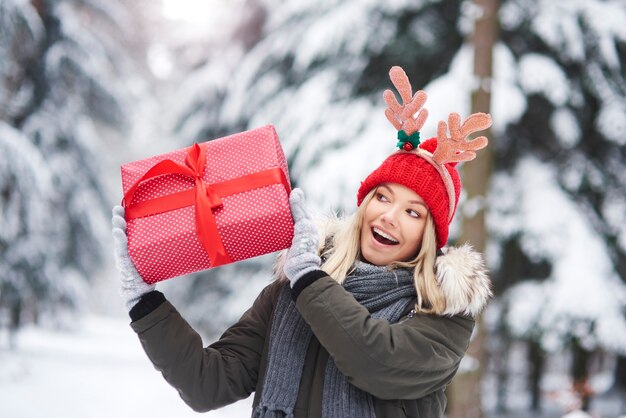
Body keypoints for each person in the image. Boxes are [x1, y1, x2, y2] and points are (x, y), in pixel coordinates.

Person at [112, 66, 493, 418]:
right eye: (382, 197)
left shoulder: (443, 311)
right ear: (364, 205)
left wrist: (311, 280)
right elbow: (208, 384)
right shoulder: (293, 290)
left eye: (413, 213)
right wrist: (145, 302)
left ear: (430, 235)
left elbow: (377, 362)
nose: (389, 217)